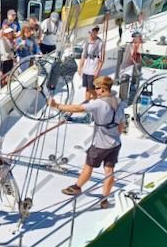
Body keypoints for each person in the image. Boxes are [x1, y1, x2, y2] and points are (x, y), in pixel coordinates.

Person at [49, 76, 125, 208]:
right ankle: (104, 199)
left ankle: (77, 187)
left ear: (102, 89)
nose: (95, 91)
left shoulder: (99, 104)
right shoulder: (119, 102)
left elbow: (78, 109)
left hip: (100, 144)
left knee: (88, 167)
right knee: (109, 171)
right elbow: (121, 126)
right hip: (115, 144)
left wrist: (57, 106)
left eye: (96, 88)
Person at [77, 26, 104, 102]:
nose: (90, 34)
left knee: (90, 88)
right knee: (87, 88)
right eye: (89, 32)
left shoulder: (100, 43)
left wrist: (97, 70)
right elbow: (83, 56)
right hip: (86, 69)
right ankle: (87, 103)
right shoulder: (87, 42)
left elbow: (101, 59)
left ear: (96, 32)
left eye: (92, 32)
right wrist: (80, 67)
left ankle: (95, 101)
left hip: (93, 69)